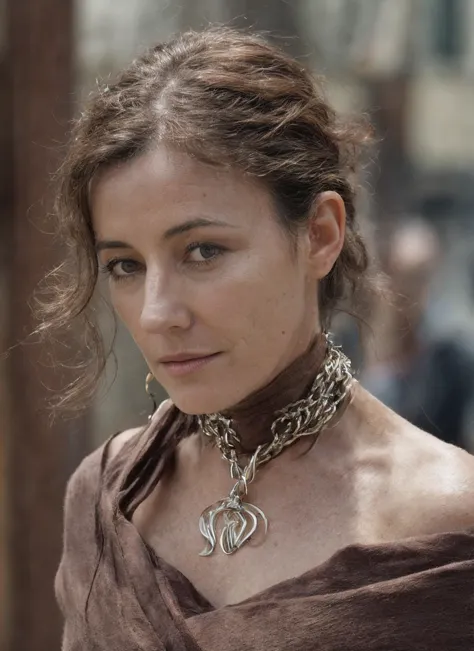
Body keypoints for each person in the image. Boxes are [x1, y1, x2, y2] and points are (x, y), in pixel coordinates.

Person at [47, 27, 474, 651]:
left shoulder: (445, 521)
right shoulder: (107, 497)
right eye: (126, 266)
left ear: (321, 235)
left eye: (202, 251)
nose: (158, 311)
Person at [362, 219, 474, 449]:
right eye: (402, 277)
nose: (408, 290)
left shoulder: (450, 354)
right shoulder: (365, 333)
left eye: (419, 278)